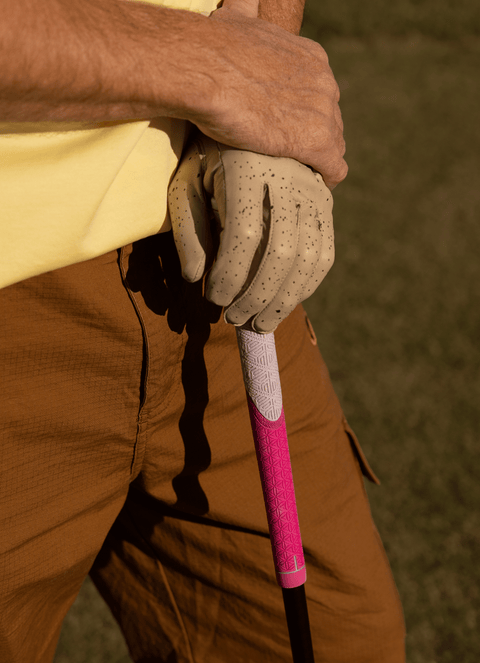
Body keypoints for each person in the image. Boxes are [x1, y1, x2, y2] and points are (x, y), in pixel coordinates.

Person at [0, 0, 406, 661]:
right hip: (16, 292)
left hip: (208, 249)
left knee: (339, 640)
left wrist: (257, 75)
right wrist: (220, 70)